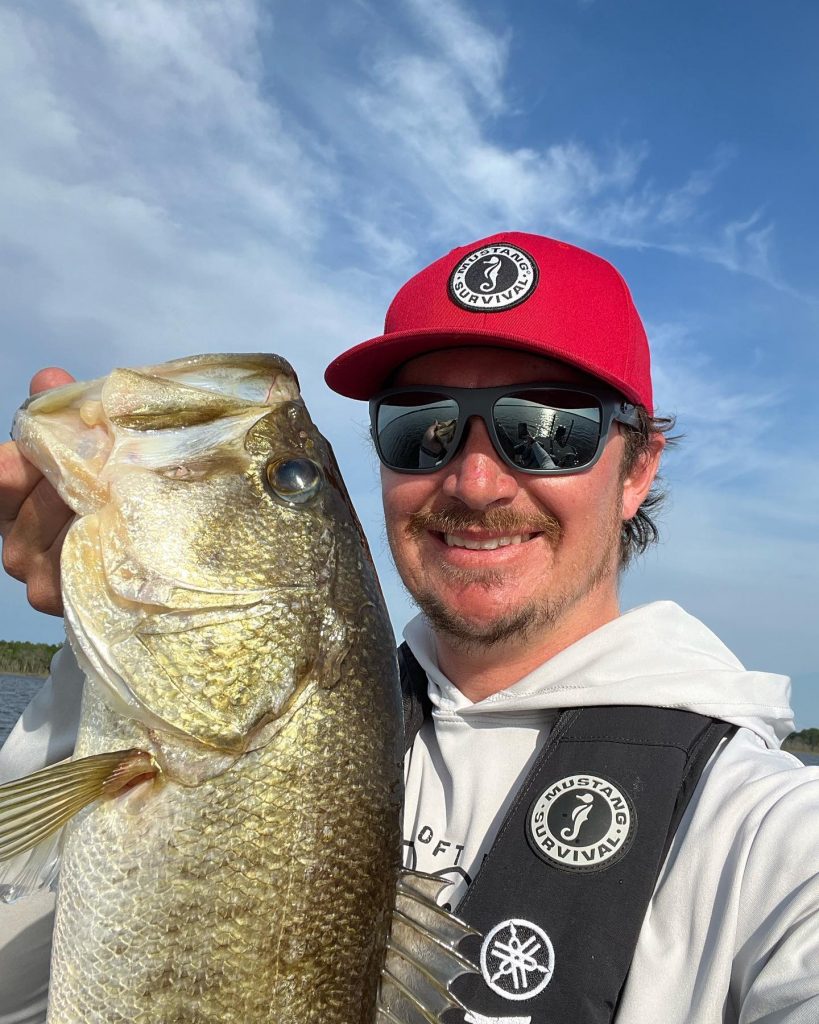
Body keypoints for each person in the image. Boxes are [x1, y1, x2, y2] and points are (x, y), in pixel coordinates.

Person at [0, 232, 817, 1023]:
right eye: (419, 427)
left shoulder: (770, 838)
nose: (475, 479)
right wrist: (97, 648)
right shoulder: (264, 723)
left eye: (547, 430)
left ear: (637, 468)